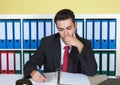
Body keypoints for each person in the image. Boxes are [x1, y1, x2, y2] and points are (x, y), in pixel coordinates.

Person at [23, 9, 97, 82]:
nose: (65, 33)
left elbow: (91, 71)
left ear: (75, 25)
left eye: (69, 28)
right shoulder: (47, 42)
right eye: (61, 29)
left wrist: (79, 46)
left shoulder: (84, 44)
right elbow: (29, 64)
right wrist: (33, 72)